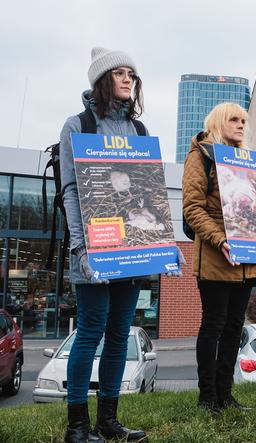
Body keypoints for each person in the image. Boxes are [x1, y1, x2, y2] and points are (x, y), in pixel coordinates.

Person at [60, 47, 152, 442]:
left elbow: (148, 195)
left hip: (131, 250)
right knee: (90, 331)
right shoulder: (77, 125)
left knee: (119, 334)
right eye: (119, 72)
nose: (128, 78)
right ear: (102, 80)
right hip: (94, 249)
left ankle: (108, 421)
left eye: (132, 73)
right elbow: (70, 191)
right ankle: (77, 425)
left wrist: (159, 246)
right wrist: (82, 251)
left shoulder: (141, 132)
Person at [182, 103, 256, 412]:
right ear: (219, 121)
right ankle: (207, 398)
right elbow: (192, 208)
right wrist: (220, 240)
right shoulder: (201, 155)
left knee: (234, 327)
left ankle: (225, 395)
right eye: (234, 119)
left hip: (246, 257)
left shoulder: (248, 162)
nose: (241, 124)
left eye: (244, 120)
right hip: (218, 255)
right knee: (214, 325)